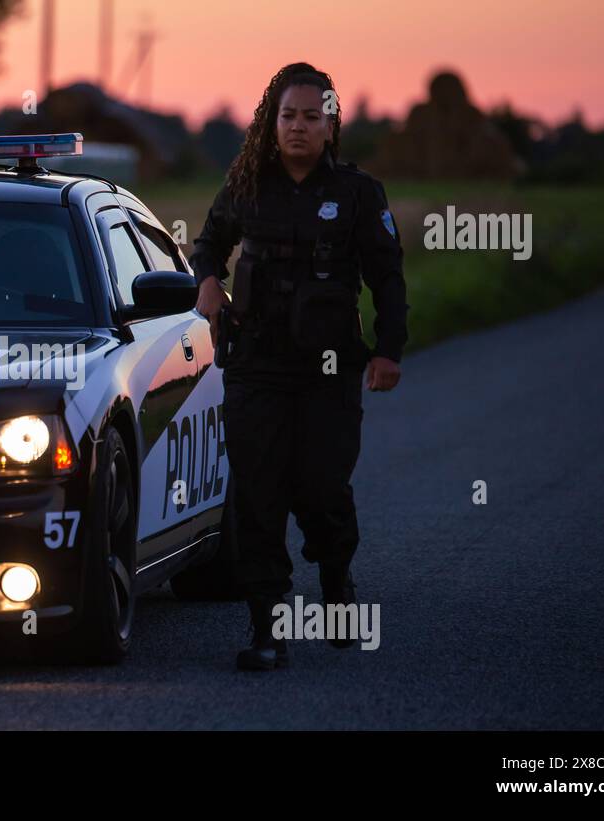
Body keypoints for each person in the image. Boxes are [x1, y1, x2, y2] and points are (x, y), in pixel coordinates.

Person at [190, 63, 408, 671]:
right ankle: (266, 627)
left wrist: (390, 350)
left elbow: (387, 278)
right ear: (271, 121)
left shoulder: (358, 194)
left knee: (321, 488)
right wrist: (206, 282)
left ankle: (335, 580)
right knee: (258, 496)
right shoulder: (247, 184)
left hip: (329, 372)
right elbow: (207, 243)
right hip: (256, 366)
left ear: (331, 124)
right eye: (288, 116)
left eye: (313, 116)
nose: (299, 127)